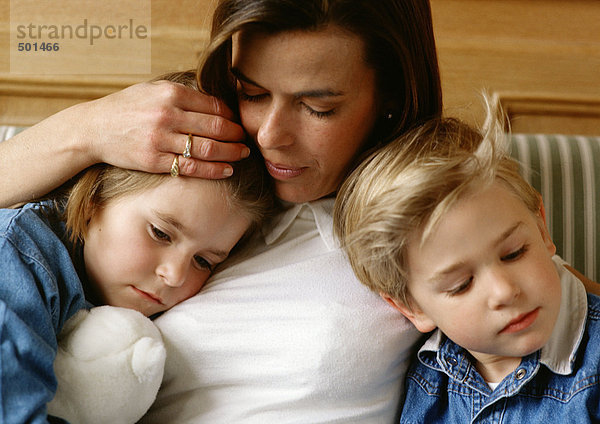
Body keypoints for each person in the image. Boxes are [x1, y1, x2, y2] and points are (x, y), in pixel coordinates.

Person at [0, 0, 593, 422]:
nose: (271, 137)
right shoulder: (178, 178)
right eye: (252, 93)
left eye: (319, 107)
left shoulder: (418, 222)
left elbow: (550, 299)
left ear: (387, 96)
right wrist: (81, 132)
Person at [0, 71, 275, 423]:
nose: (175, 275)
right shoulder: (18, 257)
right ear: (96, 197)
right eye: (161, 233)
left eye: (204, 261)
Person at [334, 101, 600, 422]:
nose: (504, 291)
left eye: (514, 253)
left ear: (541, 228)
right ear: (412, 308)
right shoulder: (428, 381)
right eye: (461, 285)